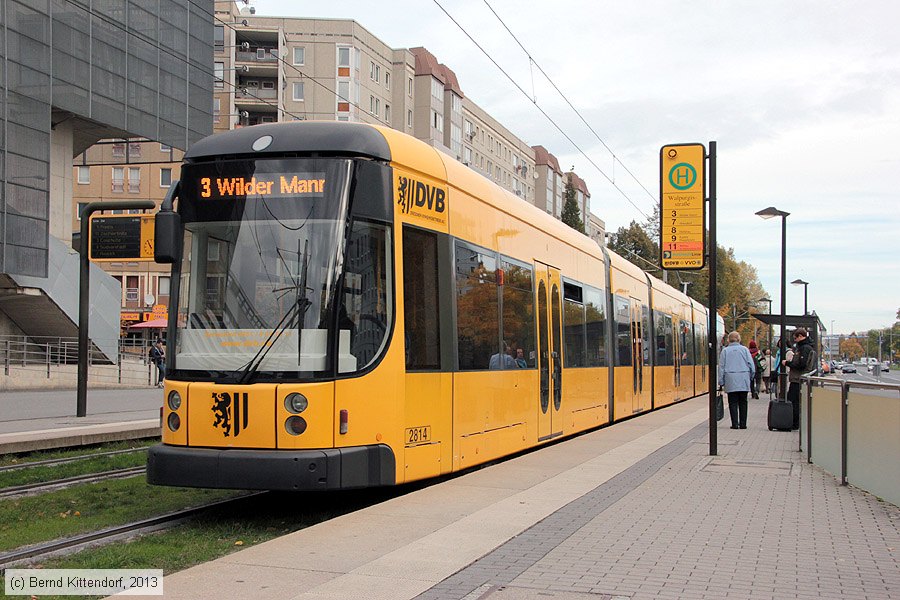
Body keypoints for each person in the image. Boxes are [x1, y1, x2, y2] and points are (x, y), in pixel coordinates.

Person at [718, 331, 755, 429]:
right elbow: (751, 365)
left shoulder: (725, 351)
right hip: (743, 378)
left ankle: (734, 423)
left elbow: (721, 367)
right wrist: (750, 376)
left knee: (732, 402)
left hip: (730, 379)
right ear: (739, 339)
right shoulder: (745, 350)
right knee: (743, 401)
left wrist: (721, 381)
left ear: (729, 340)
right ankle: (743, 424)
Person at [783, 327, 816, 430]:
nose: (795, 341)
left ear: (800, 336)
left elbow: (801, 364)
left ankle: (794, 423)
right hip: (799, 379)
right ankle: (795, 422)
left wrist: (788, 363)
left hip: (798, 379)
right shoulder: (806, 347)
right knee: (794, 400)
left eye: (795, 338)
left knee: (793, 401)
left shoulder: (804, 348)